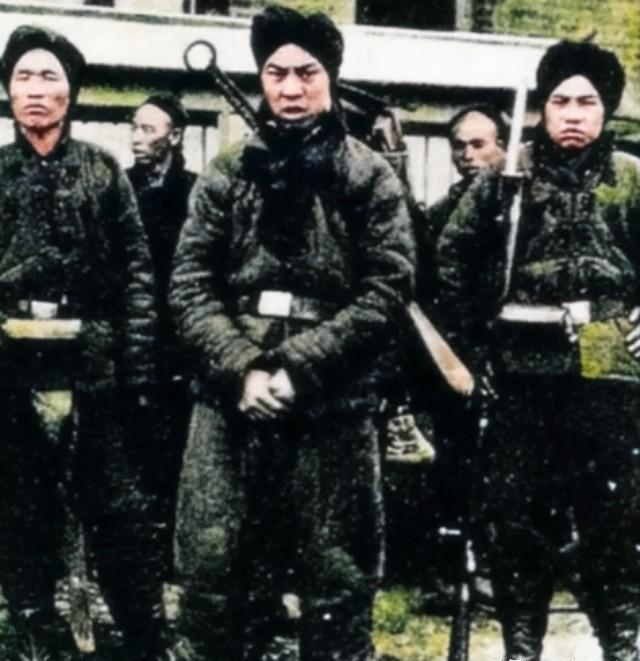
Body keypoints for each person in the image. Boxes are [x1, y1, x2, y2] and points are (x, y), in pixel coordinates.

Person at [169, 6, 415, 661]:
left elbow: (387, 288)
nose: (291, 88)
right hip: (231, 397)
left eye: (307, 72)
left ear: (330, 78)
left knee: (337, 578)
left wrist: (299, 367)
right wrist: (243, 367)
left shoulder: (369, 175)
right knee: (214, 568)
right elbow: (190, 285)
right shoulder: (226, 174)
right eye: (276, 73)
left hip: (333, 399)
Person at [437, 40, 640, 661]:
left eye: (587, 102)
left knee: (614, 523)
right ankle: (522, 648)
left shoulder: (633, 178)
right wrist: (472, 347)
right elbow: (451, 262)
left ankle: (623, 646)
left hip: (610, 375)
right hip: (520, 376)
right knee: (516, 521)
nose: (573, 114)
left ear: (606, 110)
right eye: (560, 102)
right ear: (542, 110)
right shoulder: (506, 180)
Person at [0, 25, 170, 661]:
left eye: (49, 77)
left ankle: (142, 636)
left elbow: (137, 276)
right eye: (22, 77)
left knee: (118, 511)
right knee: (21, 508)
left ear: (70, 93)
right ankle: (35, 633)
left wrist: (136, 365)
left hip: (93, 369)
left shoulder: (102, 172)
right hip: (12, 368)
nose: (34, 90)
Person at [127, 92, 197, 581]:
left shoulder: (194, 192)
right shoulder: (121, 188)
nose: (137, 137)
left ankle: (173, 554)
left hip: (180, 341)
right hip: (134, 334)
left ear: (175, 136)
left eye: (148, 129)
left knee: (176, 449)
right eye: (134, 127)